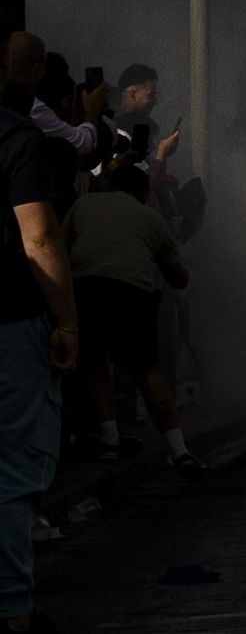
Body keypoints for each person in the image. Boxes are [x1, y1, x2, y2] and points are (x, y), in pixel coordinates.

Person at [61, 165, 204, 479]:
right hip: (133, 294)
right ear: (144, 193)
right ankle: (179, 451)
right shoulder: (151, 218)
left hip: (88, 288)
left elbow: (61, 245)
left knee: (97, 363)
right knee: (147, 370)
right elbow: (177, 277)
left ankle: (110, 442)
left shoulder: (84, 204)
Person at [0, 104, 77, 634]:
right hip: (8, 321)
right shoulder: (13, 135)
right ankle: (12, 612)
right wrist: (67, 323)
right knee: (11, 468)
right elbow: (40, 238)